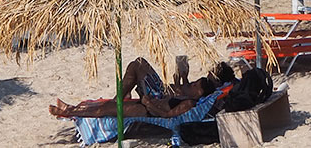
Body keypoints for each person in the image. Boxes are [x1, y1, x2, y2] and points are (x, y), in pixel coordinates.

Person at [49, 57, 236, 119]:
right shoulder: (202, 90)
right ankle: (74, 109)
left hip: (152, 104)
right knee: (137, 64)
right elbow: (183, 88)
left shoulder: (194, 100)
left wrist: (149, 103)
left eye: (213, 72)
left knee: (105, 109)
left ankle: (69, 111)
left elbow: (168, 118)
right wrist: (183, 76)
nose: (208, 73)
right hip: (154, 99)